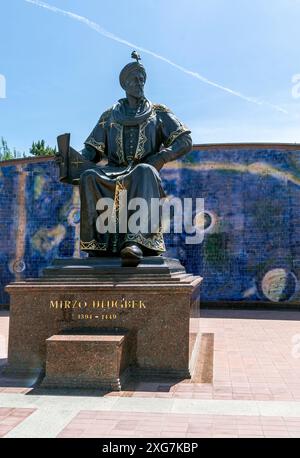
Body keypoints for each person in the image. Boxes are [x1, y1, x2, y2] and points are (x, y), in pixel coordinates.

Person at [70, 52, 192, 261]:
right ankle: (97, 246)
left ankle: (136, 242)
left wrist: (161, 157)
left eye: (142, 79)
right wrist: (68, 158)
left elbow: (185, 141)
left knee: (144, 171)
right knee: (89, 176)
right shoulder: (109, 115)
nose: (140, 83)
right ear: (125, 84)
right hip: (114, 169)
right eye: (135, 79)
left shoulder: (158, 112)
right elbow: (91, 150)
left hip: (144, 168)